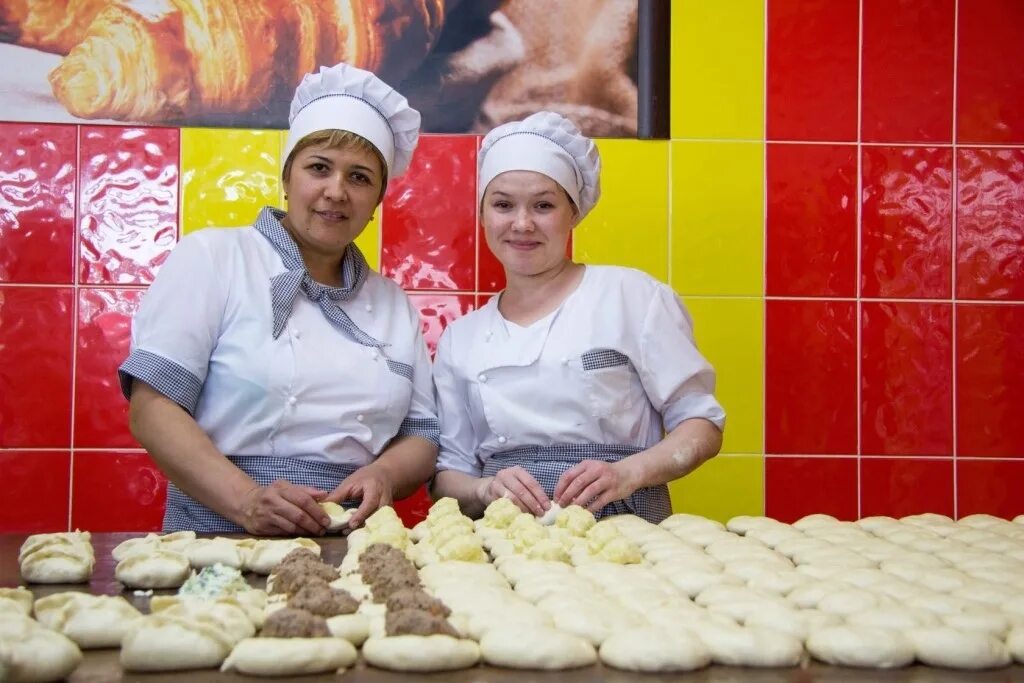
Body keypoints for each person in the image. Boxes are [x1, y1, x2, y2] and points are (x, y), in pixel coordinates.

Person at [119, 63, 438, 536]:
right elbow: (152, 407)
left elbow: (422, 435)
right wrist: (246, 500)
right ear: (287, 178)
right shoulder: (214, 257)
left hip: (349, 540)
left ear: (376, 203)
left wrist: (384, 473)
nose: (336, 192)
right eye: (319, 168)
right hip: (218, 531)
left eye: (360, 177)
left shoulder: (392, 303)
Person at [431, 112, 725, 524]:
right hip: (506, 537)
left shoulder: (633, 297)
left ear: (574, 213)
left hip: (627, 529)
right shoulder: (461, 339)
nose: (522, 223)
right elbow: (448, 474)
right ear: (482, 216)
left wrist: (629, 473)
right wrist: (484, 488)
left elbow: (701, 425)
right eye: (502, 205)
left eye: (544, 205)